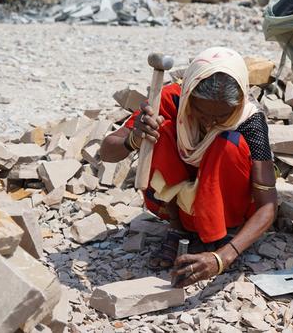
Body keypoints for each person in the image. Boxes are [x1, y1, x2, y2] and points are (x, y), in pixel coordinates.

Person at [100, 47, 278, 287]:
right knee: (159, 131)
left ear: (236, 107)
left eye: (222, 116)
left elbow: (268, 205)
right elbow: (107, 151)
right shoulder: (172, 99)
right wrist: (135, 137)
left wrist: (222, 257)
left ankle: (214, 237)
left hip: (228, 212)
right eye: (202, 113)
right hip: (174, 207)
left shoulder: (249, 121)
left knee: (228, 144)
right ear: (189, 95)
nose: (210, 123)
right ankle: (178, 229)